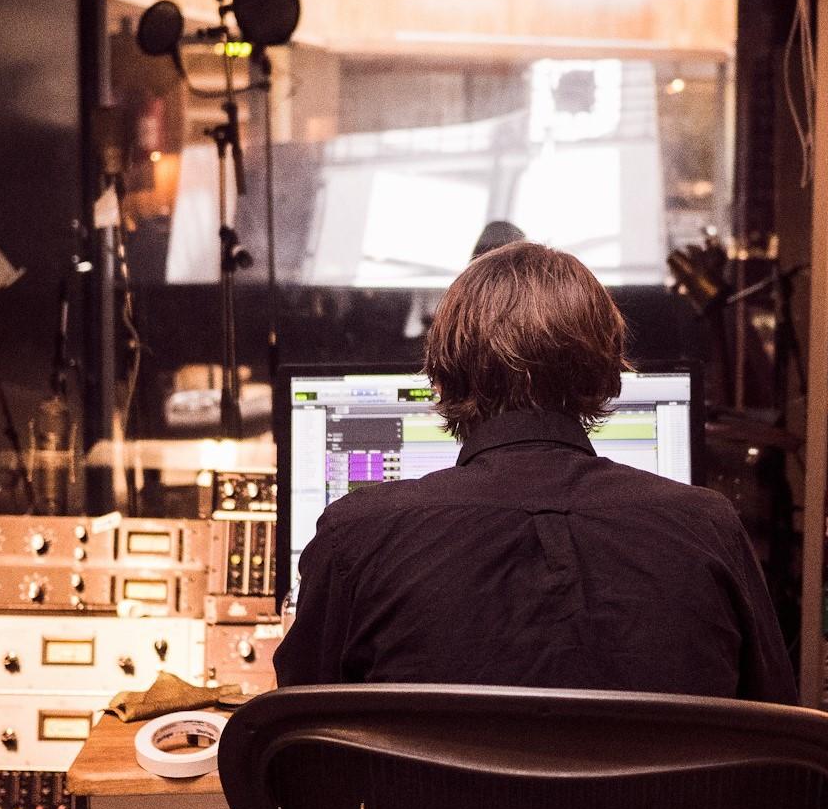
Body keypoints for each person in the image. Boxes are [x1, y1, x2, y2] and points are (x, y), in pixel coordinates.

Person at [274, 240, 797, 703]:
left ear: (441, 376)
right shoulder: (707, 528)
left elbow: (298, 753)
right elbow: (781, 748)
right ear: (610, 375)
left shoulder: (357, 537)